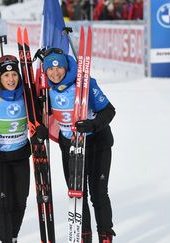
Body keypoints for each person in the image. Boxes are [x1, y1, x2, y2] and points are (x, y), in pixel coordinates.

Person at [42, 49, 116, 243]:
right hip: (70, 146)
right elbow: (44, 116)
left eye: (59, 68)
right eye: (50, 69)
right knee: (77, 195)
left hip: (97, 144)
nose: (55, 73)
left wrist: (92, 124)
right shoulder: (47, 90)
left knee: (98, 194)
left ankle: (105, 235)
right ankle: (84, 237)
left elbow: (109, 111)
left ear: (66, 68)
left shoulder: (85, 84)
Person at [0, 55, 46, 243]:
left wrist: (40, 129)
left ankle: (12, 236)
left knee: (20, 200)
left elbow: (39, 118)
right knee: (3, 202)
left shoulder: (26, 96)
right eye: (6, 76)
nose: (11, 79)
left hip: (20, 153)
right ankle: (5, 239)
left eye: (14, 74)